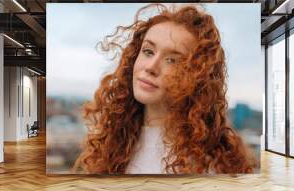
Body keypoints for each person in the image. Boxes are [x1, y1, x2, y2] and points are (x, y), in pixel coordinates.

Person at [72, 3, 257, 174]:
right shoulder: (112, 140)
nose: (151, 67)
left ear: (197, 76)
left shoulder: (212, 161)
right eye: (148, 51)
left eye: (172, 60)